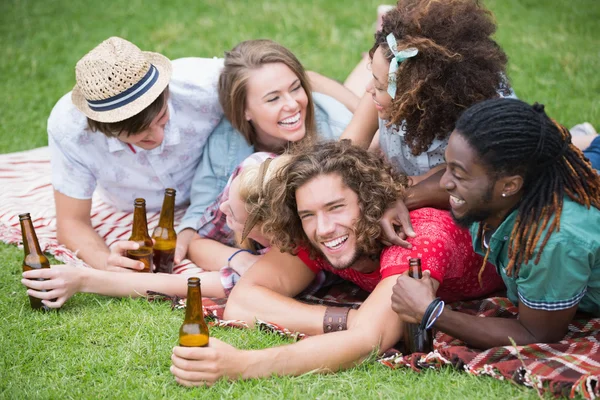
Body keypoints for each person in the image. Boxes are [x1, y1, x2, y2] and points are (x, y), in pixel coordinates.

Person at [169, 140, 505, 386]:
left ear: (368, 201)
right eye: (308, 215)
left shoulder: (415, 236)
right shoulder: (318, 233)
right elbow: (242, 302)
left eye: (336, 207)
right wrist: (352, 318)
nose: (324, 228)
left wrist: (241, 364)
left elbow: (369, 342)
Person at [391, 98, 600, 348]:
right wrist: (397, 201)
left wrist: (432, 312)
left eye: (458, 174)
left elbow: (537, 334)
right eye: (447, 166)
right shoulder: (510, 191)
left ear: (510, 185)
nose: (445, 182)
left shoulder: (553, 239)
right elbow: (449, 186)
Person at [333, 0, 513, 246]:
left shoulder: (476, 122)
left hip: (466, 213)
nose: (369, 89)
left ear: (417, 96)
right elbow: (345, 150)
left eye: (379, 85)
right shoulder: (385, 86)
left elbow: (435, 188)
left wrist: (391, 197)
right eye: (373, 78)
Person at [174, 39, 355, 270]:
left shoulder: (338, 129)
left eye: (296, 88)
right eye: (273, 98)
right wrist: (190, 235)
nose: (293, 104)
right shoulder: (226, 141)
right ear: (244, 110)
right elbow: (202, 213)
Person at [48, 37, 223, 271]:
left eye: (162, 118)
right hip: (128, 206)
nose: (159, 138)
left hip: (215, 191)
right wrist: (106, 263)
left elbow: (271, 79)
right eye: (141, 136)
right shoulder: (70, 130)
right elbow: (71, 222)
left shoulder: (206, 84)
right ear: (106, 129)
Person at [20, 153, 283, 307]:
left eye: (232, 212)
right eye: (228, 197)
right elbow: (198, 241)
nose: (222, 205)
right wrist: (238, 257)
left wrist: (82, 280)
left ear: (265, 229)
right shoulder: (256, 171)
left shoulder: (278, 269)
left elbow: (177, 284)